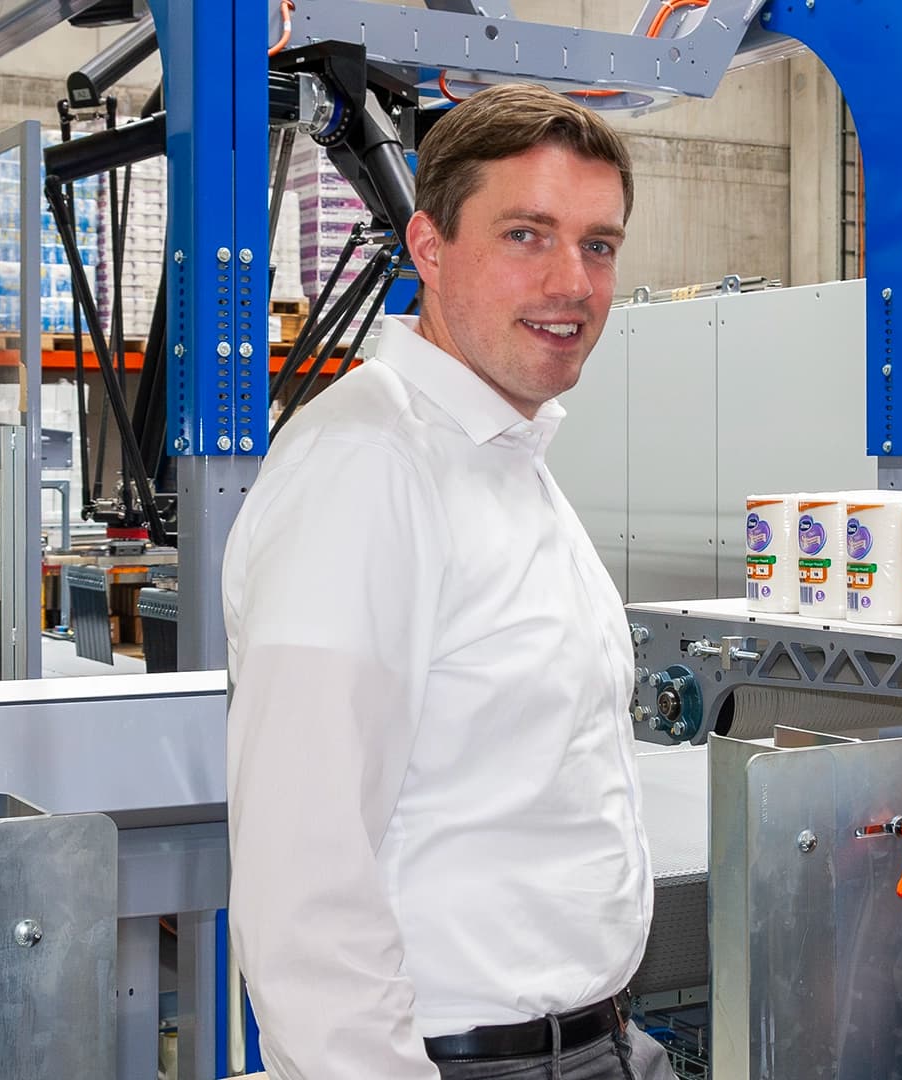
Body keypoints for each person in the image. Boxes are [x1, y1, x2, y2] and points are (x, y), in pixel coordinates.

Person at [221, 83, 676, 1080]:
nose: (573, 281)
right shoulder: (369, 468)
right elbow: (303, 873)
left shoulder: (504, 457)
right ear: (429, 249)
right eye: (527, 235)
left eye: (599, 245)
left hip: (589, 1043)